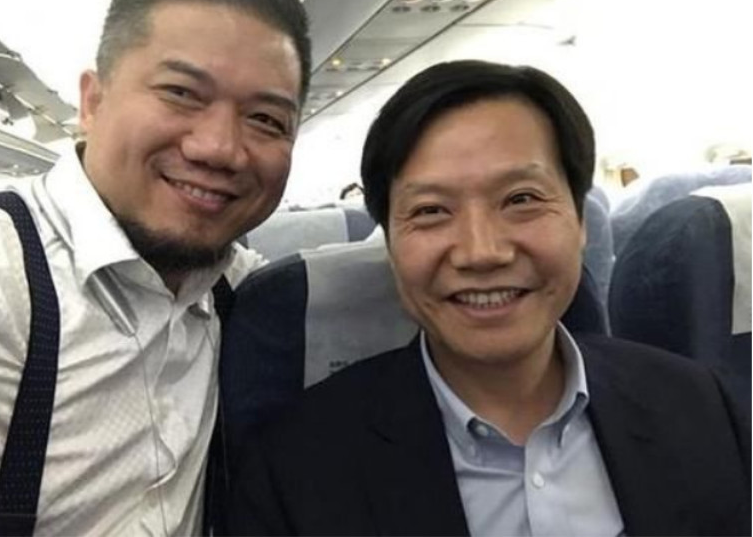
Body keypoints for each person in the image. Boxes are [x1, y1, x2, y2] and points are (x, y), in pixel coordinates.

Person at [227, 61, 750, 536]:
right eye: (431, 211)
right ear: (390, 241)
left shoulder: (698, 406)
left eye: (521, 199)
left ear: (580, 221)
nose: (482, 252)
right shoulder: (295, 467)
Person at [0, 0, 310, 535]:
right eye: (181, 93)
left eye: (265, 119)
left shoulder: (250, 294)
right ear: (93, 100)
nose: (219, 149)